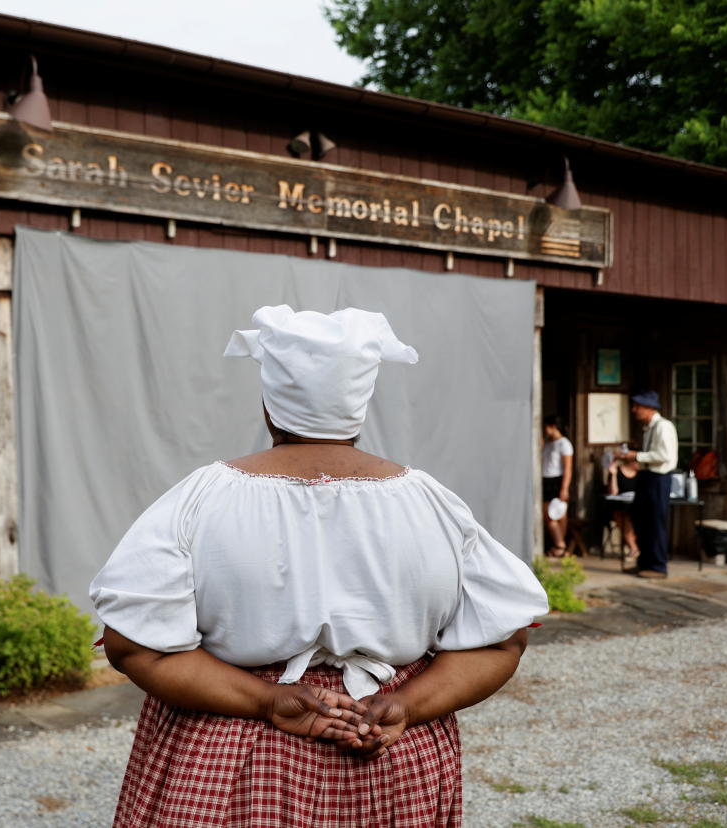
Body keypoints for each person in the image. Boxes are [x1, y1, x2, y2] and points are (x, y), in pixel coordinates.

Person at [90, 305, 549, 827]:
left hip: (230, 756)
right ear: (359, 404)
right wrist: (407, 706)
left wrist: (267, 700)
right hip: (388, 748)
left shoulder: (202, 498)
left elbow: (131, 645)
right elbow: (504, 639)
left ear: (269, 407)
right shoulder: (431, 503)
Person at [618, 390, 679, 578]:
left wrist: (636, 456)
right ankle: (645, 562)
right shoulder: (649, 428)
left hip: (659, 478)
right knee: (642, 520)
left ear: (649, 408)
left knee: (655, 522)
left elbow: (665, 456)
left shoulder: (663, 427)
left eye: (638, 406)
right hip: (647, 476)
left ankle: (658, 566)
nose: (634, 410)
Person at [541, 416, 574, 556]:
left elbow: (568, 468)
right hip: (546, 479)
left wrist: (564, 488)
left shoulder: (564, 443)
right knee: (551, 515)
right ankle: (561, 546)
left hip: (557, 480)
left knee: (554, 515)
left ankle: (560, 546)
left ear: (553, 426)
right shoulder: (548, 442)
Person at [605, 452, 641, 563]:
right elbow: (613, 492)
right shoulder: (618, 471)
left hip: (637, 505)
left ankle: (636, 548)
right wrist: (614, 474)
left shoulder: (641, 473)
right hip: (622, 506)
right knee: (622, 516)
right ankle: (634, 548)